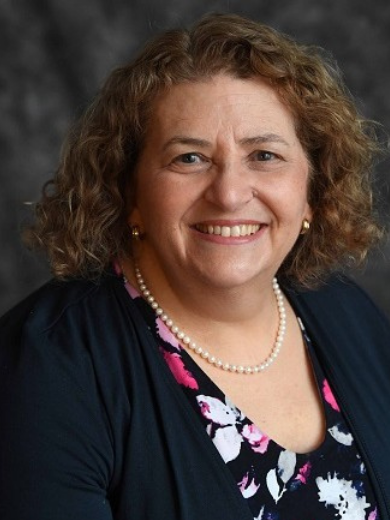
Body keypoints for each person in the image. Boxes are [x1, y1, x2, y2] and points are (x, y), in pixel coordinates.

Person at [0, 12, 389, 520]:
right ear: (130, 191)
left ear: (313, 191)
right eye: (189, 158)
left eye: (265, 155)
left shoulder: (347, 314)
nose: (229, 194)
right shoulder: (45, 370)